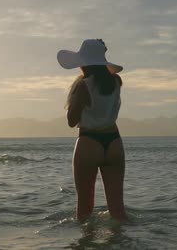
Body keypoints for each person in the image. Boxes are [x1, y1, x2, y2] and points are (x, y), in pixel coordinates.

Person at [57, 39, 128, 221]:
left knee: (84, 209)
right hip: (114, 142)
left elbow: (71, 121)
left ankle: (85, 244)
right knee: (118, 210)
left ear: (84, 64)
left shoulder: (83, 85)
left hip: (89, 142)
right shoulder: (115, 82)